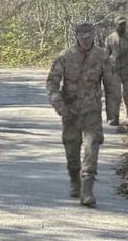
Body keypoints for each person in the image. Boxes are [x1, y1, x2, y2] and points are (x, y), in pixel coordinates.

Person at [46, 21, 122, 207]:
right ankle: (75, 182)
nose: (86, 41)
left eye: (89, 37)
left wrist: (113, 112)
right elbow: (52, 83)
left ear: (93, 36)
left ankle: (87, 191)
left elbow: (112, 86)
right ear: (77, 37)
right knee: (71, 148)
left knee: (91, 147)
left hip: (91, 111)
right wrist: (59, 105)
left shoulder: (102, 57)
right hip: (70, 112)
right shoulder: (65, 56)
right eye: (82, 37)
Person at [104, 17, 128, 126]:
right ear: (115, 25)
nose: (122, 26)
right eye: (120, 24)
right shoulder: (110, 39)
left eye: (123, 24)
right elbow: (106, 56)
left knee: (127, 94)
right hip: (114, 72)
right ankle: (114, 118)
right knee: (115, 95)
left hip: (127, 71)